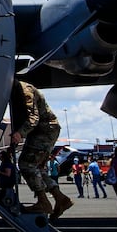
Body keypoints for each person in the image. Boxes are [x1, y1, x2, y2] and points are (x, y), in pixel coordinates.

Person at [12, 80, 74, 219]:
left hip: (44, 129)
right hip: (44, 129)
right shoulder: (14, 90)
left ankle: (43, 202)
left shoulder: (24, 90)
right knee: (37, 167)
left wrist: (19, 134)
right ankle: (60, 199)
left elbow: (33, 118)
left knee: (26, 164)